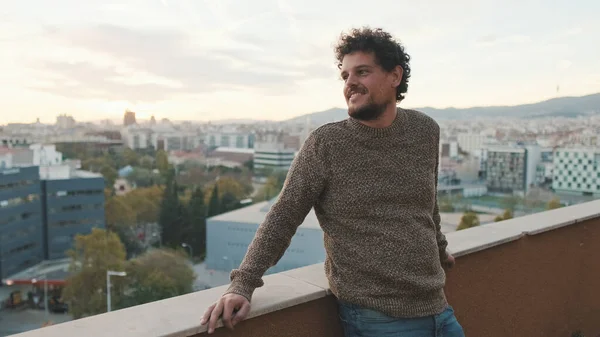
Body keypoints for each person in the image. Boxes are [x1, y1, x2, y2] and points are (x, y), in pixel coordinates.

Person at [201, 27, 465, 336]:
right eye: (345, 76)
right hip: (375, 318)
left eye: (362, 72)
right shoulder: (327, 144)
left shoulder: (425, 130)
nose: (350, 83)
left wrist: (439, 247)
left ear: (395, 76)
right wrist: (242, 284)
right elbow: (283, 216)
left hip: (438, 306)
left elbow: (425, 203)